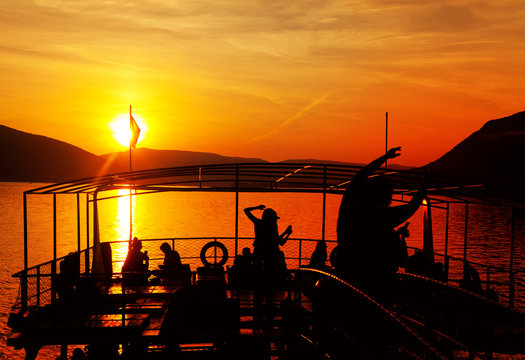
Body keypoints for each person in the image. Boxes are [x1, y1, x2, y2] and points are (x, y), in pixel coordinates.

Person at [336, 147, 427, 293]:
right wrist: (424, 186)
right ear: (386, 199)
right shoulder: (382, 218)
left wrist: (384, 158)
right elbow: (411, 207)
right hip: (376, 284)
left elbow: (360, 176)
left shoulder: (349, 208)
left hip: (346, 277)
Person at [244, 204, 292, 326]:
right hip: (271, 257)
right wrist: (287, 233)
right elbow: (280, 242)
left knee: (259, 280)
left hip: (259, 255)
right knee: (270, 281)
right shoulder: (272, 227)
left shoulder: (258, 223)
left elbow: (245, 210)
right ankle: (268, 306)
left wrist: (257, 207)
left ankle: (259, 306)